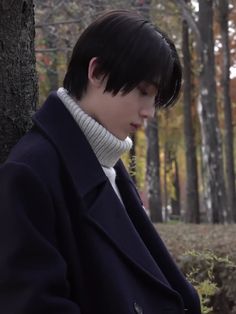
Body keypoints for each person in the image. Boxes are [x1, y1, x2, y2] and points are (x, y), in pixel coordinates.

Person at [0, 10, 201, 314]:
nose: (149, 112)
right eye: (143, 92)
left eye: (155, 99)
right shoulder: (30, 173)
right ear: (96, 72)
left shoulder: (106, 165)